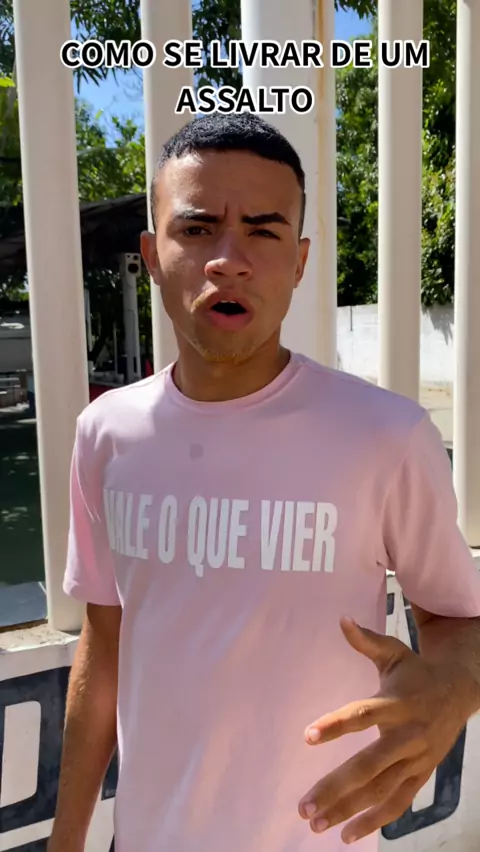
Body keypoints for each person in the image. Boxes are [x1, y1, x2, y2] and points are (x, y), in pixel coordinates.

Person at [49, 113, 480, 852]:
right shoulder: (105, 433)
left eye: (263, 230)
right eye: (197, 229)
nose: (229, 260)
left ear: (300, 260)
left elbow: (458, 618)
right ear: (152, 255)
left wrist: (453, 688)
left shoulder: (387, 436)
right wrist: (67, 839)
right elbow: (105, 638)